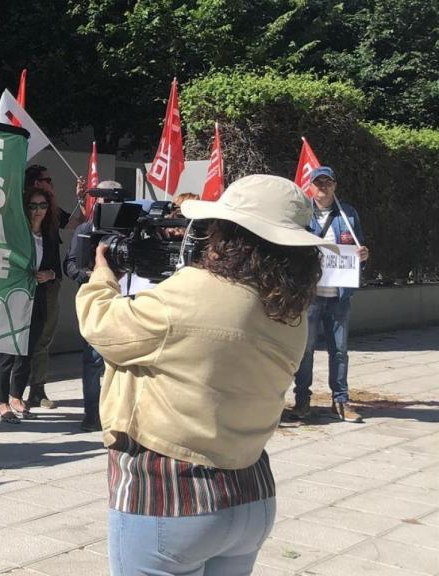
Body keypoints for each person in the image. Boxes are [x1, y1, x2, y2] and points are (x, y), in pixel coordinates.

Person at [77, 174, 335, 575]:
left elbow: (102, 325)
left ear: (230, 233)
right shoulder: (290, 311)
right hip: (250, 493)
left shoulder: (193, 291)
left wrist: (101, 274)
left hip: (171, 496)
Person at [292, 166, 369, 423]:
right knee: (306, 351)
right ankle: (302, 401)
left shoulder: (348, 214)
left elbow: (358, 248)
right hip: (311, 295)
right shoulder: (302, 213)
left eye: (327, 182)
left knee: (340, 351)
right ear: (310, 186)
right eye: (318, 182)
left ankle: (341, 401)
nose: (323, 186)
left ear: (335, 185)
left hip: (340, 296)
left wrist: (363, 256)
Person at [0, 187, 59, 424]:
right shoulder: (15, 234)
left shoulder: (50, 235)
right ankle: (1, 402)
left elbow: (57, 270)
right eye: (33, 206)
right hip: (14, 297)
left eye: (42, 206)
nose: (38, 211)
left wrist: (49, 274)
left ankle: (16, 395)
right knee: (6, 352)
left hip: (38, 298)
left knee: (27, 352)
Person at [63, 182, 124, 431]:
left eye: (114, 201)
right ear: (96, 202)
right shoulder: (85, 230)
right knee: (92, 361)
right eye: (104, 200)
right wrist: (96, 276)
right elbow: (70, 266)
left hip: (126, 301)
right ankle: (91, 413)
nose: (109, 206)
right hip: (97, 303)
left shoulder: (129, 230)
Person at [23, 165, 81, 409]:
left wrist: (82, 197)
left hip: (49, 285)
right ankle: (14, 392)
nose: (51, 184)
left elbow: (79, 222)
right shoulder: (19, 212)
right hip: (23, 287)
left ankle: (38, 390)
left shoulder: (53, 212)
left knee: (43, 338)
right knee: (23, 339)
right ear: (35, 183)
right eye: (46, 180)